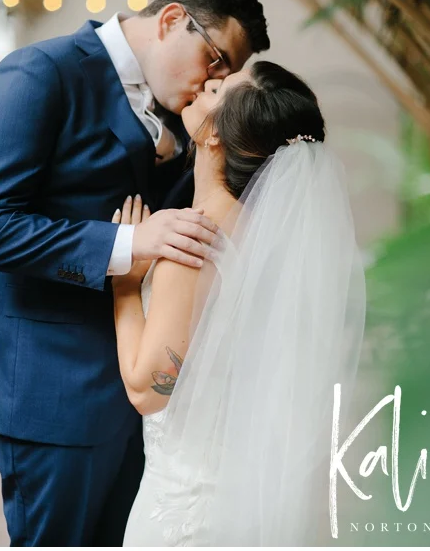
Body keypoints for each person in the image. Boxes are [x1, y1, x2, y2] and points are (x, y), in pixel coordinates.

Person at [0, 0, 270, 546]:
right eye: (216, 59)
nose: (214, 82)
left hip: (149, 410)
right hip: (57, 398)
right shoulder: (41, 73)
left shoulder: (183, 110)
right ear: (172, 21)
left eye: (228, 73)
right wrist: (126, 246)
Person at [115, 62, 365, 545]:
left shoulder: (190, 240)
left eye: (215, 90)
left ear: (215, 137)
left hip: (182, 512)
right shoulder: (278, 242)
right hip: (244, 502)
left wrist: (125, 289)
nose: (201, 84)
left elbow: (147, 391)